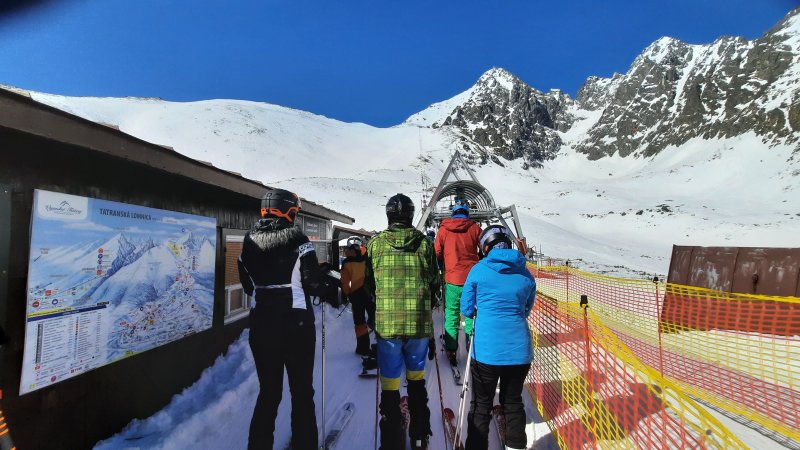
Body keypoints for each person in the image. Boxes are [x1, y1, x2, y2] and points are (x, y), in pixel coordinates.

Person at [237, 188, 332, 450]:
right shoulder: (298, 239)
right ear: (289, 211)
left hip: (262, 326)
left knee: (269, 393)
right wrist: (326, 286)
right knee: (301, 392)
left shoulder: (248, 240)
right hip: (296, 326)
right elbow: (313, 283)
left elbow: (248, 286)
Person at [365, 193, 439, 450]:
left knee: (390, 385)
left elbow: (369, 284)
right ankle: (419, 437)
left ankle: (391, 440)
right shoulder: (424, 244)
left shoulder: (375, 244)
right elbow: (435, 282)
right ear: (410, 215)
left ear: (389, 214)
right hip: (418, 325)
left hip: (387, 327)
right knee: (416, 383)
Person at [460, 225, 536, 450]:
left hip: (486, 351)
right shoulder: (525, 273)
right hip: (519, 350)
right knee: (513, 401)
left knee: (481, 404)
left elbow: (466, 308)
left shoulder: (478, 270)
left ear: (485, 246)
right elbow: (526, 309)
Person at [434, 201, 482, 365]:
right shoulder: (474, 228)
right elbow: (485, 247)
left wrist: (443, 261)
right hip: (472, 280)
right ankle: (471, 346)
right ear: (467, 213)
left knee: (452, 314)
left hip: (452, 280)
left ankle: (451, 349)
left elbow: (437, 252)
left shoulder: (444, 229)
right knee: (471, 313)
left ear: (453, 213)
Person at [341, 236, 375, 355]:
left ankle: (363, 348)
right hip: (370, 293)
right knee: (376, 318)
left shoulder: (346, 262)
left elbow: (344, 282)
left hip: (356, 294)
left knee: (359, 322)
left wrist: (347, 293)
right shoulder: (369, 257)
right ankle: (383, 346)